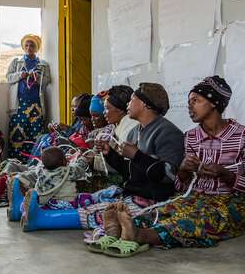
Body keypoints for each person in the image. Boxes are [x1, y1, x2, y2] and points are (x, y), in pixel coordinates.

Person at [95, 76, 245, 257]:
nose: (190, 106)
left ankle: (140, 235)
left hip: (231, 200)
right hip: (196, 196)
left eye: (196, 101)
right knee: (159, 212)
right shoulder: (191, 137)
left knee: (196, 220)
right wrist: (182, 170)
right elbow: (181, 186)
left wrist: (225, 174)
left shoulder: (240, 136)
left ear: (213, 103)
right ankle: (119, 231)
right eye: (189, 101)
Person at [23, 83, 185, 232]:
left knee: (95, 214)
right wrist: (110, 154)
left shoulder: (168, 133)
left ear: (145, 104)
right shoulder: (138, 131)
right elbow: (129, 172)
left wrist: (136, 155)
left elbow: (169, 175)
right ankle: (23, 209)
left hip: (153, 200)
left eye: (132, 100)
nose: (128, 104)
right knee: (87, 200)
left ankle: (41, 219)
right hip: (130, 192)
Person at [6, 34, 51, 160]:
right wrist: (21, 74)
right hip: (20, 104)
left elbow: (47, 80)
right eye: (26, 45)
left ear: (36, 48)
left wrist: (37, 79)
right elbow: (8, 77)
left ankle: (33, 161)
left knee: (35, 133)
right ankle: (15, 161)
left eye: (32, 45)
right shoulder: (16, 62)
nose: (28, 47)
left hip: (36, 104)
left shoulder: (42, 65)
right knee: (17, 132)